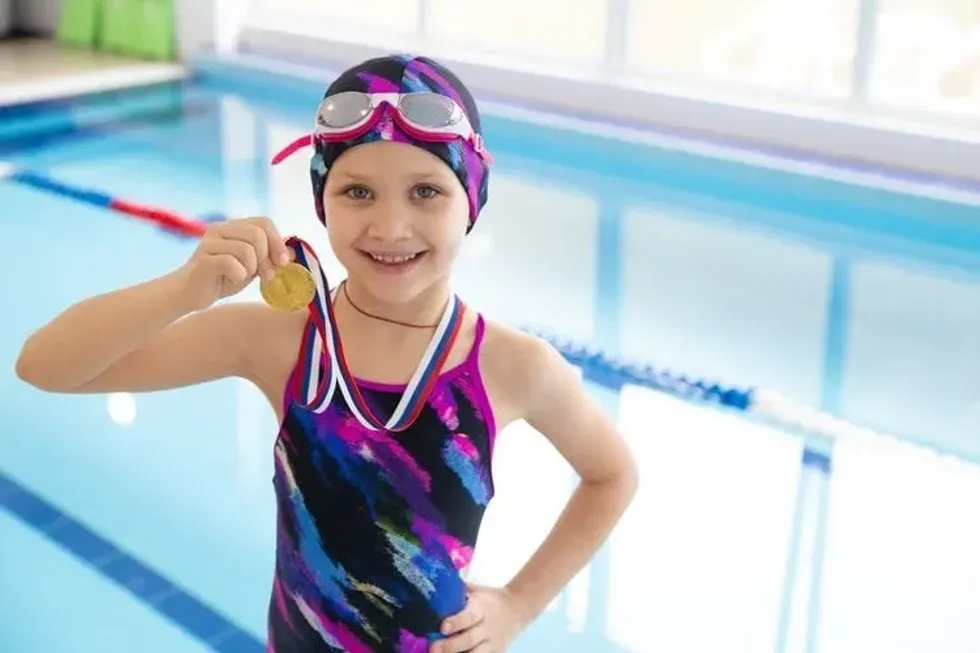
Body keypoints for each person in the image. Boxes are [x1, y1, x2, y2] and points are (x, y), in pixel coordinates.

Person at [15, 54, 638, 652]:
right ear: (321, 200)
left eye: (426, 192)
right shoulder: (282, 342)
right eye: (358, 192)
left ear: (470, 201)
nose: (391, 227)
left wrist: (519, 605)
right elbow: (44, 367)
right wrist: (182, 290)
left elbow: (612, 475)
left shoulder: (511, 365)